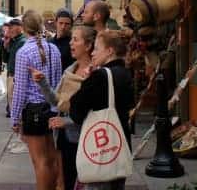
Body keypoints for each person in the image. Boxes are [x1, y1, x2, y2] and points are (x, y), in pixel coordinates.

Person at [32, 25, 96, 190]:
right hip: (65, 139)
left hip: (86, 140)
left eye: (75, 40)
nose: (70, 44)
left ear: (88, 46)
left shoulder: (96, 73)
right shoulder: (70, 70)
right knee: (68, 182)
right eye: (71, 39)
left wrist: (66, 121)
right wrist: (42, 82)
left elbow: (91, 112)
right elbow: (56, 101)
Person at [70, 30, 134, 189]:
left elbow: (76, 111)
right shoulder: (125, 74)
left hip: (100, 149)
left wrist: (86, 81)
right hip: (119, 145)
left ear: (110, 51)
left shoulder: (100, 77)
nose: (93, 53)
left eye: (97, 48)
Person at [11, 10, 62, 190]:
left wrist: (15, 118)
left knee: (39, 161)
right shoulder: (53, 49)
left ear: (25, 28)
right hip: (52, 108)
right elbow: (58, 82)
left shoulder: (24, 52)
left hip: (34, 111)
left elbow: (20, 89)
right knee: (52, 159)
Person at [6, 18, 27, 118]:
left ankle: (17, 123)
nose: (9, 30)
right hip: (11, 75)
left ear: (19, 27)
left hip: (16, 77)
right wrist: (6, 45)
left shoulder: (22, 41)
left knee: (15, 103)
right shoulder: (13, 41)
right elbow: (6, 60)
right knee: (11, 102)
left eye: (11, 27)